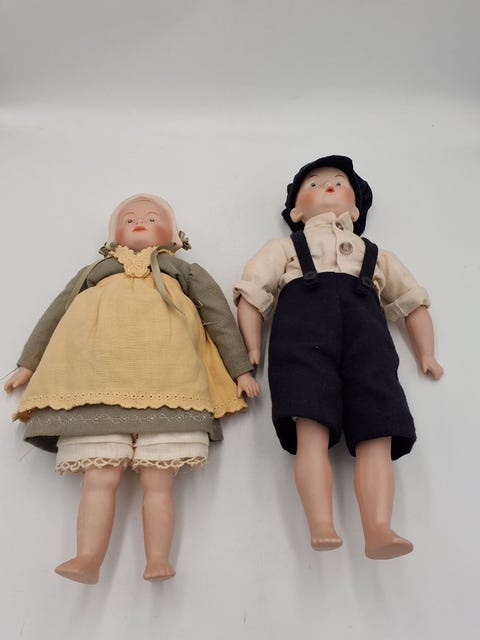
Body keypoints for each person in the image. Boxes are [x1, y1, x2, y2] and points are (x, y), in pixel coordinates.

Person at [5, 193, 259, 583]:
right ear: (113, 236)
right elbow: (56, 313)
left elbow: (219, 317)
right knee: (99, 476)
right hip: (94, 384)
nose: (140, 221)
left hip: (171, 383)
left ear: (174, 237)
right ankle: (87, 558)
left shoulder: (184, 272)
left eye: (153, 218)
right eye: (129, 219)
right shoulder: (95, 271)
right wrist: (28, 363)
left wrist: (240, 370)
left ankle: (158, 559)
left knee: (158, 480)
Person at [234, 155, 443, 559]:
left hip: (368, 345)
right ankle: (321, 524)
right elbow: (251, 295)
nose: (327, 186)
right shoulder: (285, 248)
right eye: (313, 184)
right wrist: (253, 348)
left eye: (338, 182)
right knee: (310, 428)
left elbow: (412, 301)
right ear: (296, 211)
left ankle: (378, 528)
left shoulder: (375, 254)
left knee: (378, 428)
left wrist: (427, 353)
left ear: (356, 209)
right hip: (302, 343)